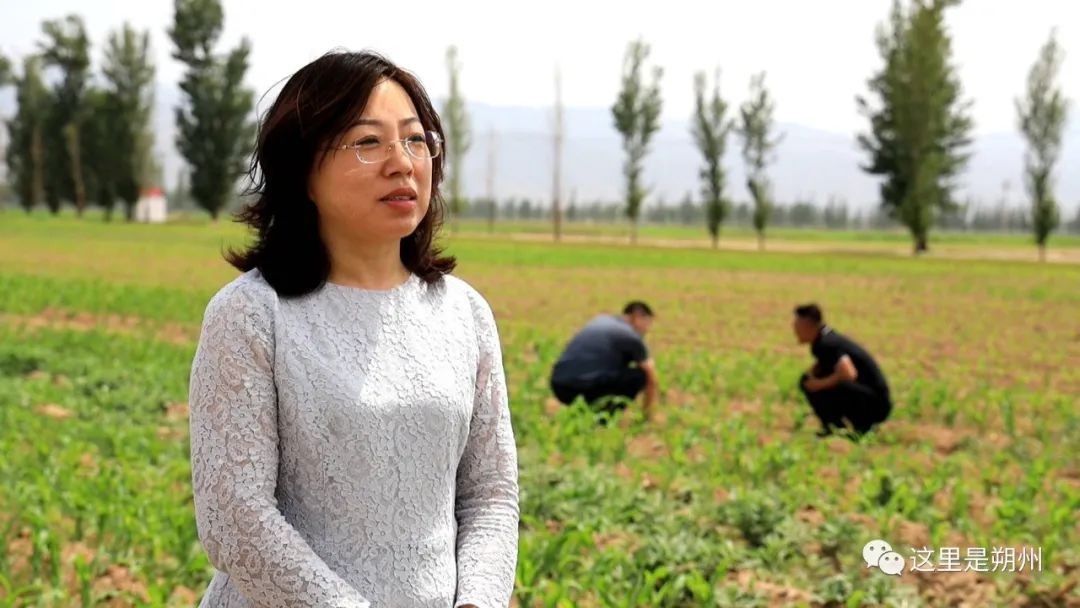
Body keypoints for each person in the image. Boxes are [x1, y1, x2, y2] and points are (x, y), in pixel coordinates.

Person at [187, 51, 518, 608]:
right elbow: (235, 518)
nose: (402, 162)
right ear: (301, 171)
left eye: (417, 140)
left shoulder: (465, 313)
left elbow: (490, 496)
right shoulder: (251, 314)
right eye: (368, 143)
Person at [793, 303, 892, 437]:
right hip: (874, 399)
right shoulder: (825, 339)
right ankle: (834, 425)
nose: (795, 331)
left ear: (808, 326)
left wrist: (818, 384)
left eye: (797, 327)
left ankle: (852, 426)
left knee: (826, 385)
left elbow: (848, 373)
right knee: (808, 380)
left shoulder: (826, 343)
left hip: (875, 405)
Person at [549, 302, 659, 420]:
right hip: (585, 387)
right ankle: (603, 419)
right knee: (640, 376)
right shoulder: (631, 336)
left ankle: (583, 414)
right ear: (636, 316)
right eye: (646, 323)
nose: (646, 330)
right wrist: (648, 416)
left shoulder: (600, 320)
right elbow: (651, 377)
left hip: (560, 386)